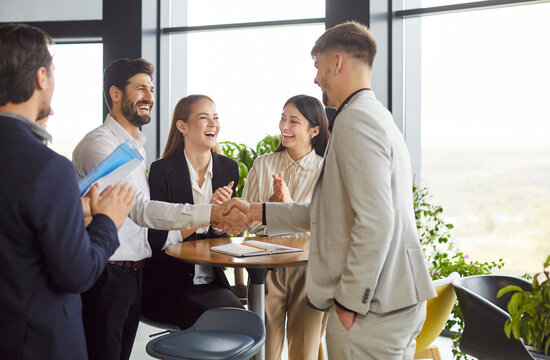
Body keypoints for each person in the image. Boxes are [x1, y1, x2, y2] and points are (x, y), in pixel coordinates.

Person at [223, 21, 436, 360]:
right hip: (393, 298)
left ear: (337, 62)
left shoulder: (355, 122)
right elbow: (333, 211)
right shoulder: (377, 115)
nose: (316, 78)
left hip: (372, 307)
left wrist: (350, 301)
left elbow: (376, 221)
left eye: (318, 65)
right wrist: (257, 211)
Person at [72, 59, 248, 360]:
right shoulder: (99, 146)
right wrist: (209, 212)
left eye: (151, 89)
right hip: (108, 273)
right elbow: (140, 211)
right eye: (140, 88)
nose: (149, 97)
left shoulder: (135, 146)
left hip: (135, 273)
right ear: (115, 94)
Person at [0, 23, 135, 360]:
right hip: (37, 343)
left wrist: (71, 212)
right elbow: (77, 273)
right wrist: (107, 219)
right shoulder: (48, 167)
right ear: (41, 78)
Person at [142, 94, 245, 329]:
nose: (213, 123)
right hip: (169, 285)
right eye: (204, 117)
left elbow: (221, 240)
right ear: (182, 126)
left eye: (216, 117)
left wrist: (221, 220)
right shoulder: (161, 171)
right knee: (232, 326)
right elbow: (157, 240)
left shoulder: (228, 168)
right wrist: (208, 213)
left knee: (243, 325)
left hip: (212, 282)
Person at [242, 95, 329, 360]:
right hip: (266, 269)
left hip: (309, 270)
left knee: (305, 352)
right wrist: (271, 206)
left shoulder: (326, 170)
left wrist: (288, 207)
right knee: (264, 351)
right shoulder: (263, 164)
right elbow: (249, 224)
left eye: (294, 121)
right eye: (282, 118)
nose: (284, 126)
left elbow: (326, 226)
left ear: (314, 131)